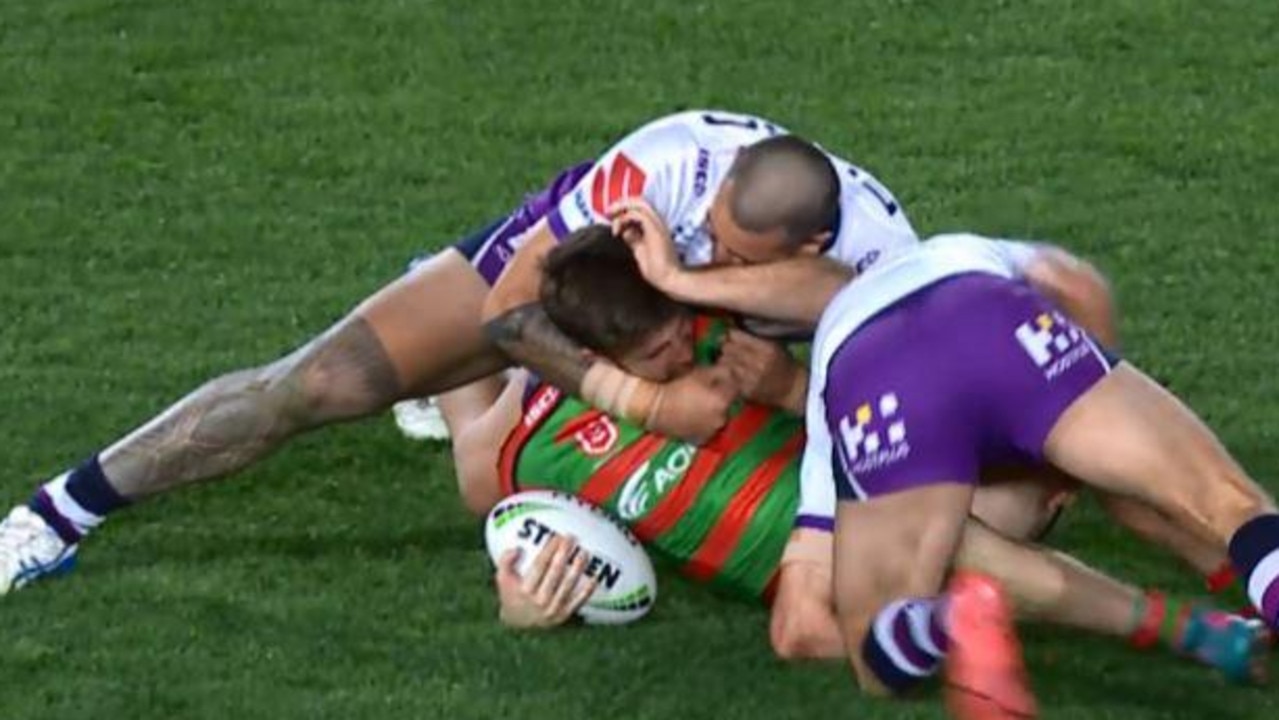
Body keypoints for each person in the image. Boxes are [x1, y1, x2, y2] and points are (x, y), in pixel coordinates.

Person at [0, 109, 916, 593]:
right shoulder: (670, 165)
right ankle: (57, 514)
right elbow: (512, 309)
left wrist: (743, 342)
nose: (704, 254)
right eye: (704, 237)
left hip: (699, 337)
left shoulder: (887, 266)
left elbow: (898, 413)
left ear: (806, 253)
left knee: (504, 482)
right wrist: (646, 403)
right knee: (323, 379)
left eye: (733, 259)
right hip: (575, 281)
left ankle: (481, 401)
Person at [439, 226, 1266, 682]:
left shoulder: (738, 323)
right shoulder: (531, 446)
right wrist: (518, 597)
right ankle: (1194, 628)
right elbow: (471, 411)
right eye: (656, 356)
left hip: (894, 463)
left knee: (1096, 492)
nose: (681, 358)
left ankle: (1206, 608)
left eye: (679, 334)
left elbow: (850, 320)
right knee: (854, 603)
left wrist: (785, 386)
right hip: (849, 510)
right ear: (597, 362)